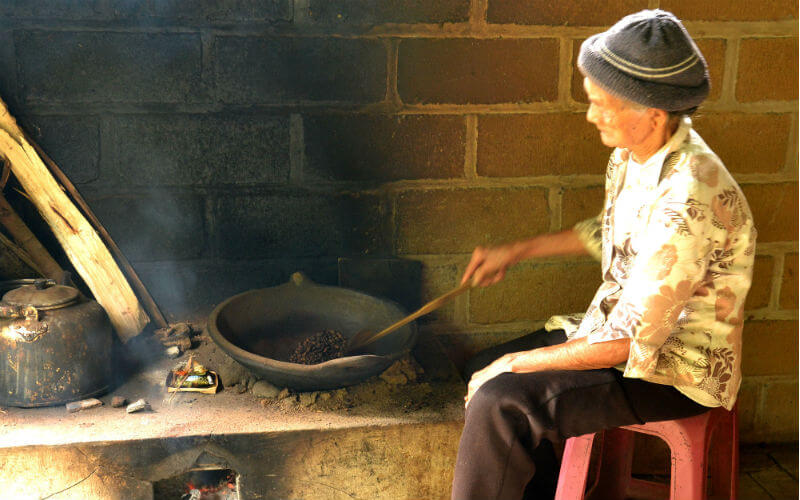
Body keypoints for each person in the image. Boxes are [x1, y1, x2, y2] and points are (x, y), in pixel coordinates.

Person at [451, 10, 756, 500]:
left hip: (670, 367)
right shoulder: (635, 153)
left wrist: (515, 364)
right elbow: (610, 232)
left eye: (600, 103)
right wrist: (518, 250)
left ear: (651, 114)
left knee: (499, 402)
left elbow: (629, 345)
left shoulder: (688, 199)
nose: (590, 115)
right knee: (480, 368)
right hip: (616, 329)